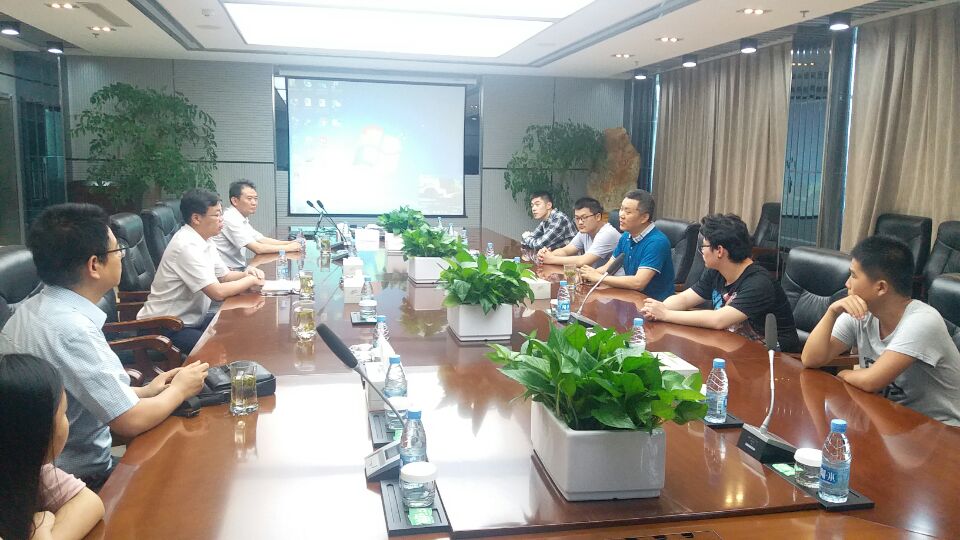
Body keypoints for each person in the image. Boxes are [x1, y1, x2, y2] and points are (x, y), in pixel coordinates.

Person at [0, 203, 208, 490]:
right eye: (117, 251)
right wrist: (180, 390)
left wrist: (146, 391)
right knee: (192, 475)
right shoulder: (71, 330)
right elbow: (129, 421)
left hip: (40, 475)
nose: (122, 256)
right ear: (94, 265)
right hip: (77, 483)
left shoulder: (34, 309)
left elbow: (81, 392)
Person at [801, 235, 960, 426]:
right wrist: (831, 312)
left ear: (881, 287)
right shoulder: (861, 313)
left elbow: (871, 381)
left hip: (940, 430)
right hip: (887, 419)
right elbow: (811, 359)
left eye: (853, 275)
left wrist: (843, 375)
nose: (847, 284)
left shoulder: (923, 321)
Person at [640, 213, 800, 352]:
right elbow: (684, 299)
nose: (702, 251)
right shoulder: (716, 272)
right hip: (733, 347)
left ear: (719, 251)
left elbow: (718, 320)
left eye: (703, 246)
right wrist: (658, 309)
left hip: (773, 358)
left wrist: (666, 314)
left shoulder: (759, 283)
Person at [138, 189, 266, 354]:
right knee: (223, 347)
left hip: (190, 320)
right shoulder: (186, 245)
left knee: (242, 327)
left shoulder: (205, 239)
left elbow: (225, 276)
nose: (221, 220)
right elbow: (217, 293)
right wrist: (250, 281)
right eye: (217, 215)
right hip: (164, 327)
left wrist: (248, 273)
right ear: (196, 218)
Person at [0, 354, 104, 540]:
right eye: (63, 413)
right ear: (35, 431)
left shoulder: (29, 468)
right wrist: (41, 532)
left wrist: (45, 531)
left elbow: (89, 502)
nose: (67, 423)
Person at [579, 190, 675, 301]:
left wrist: (599, 277)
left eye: (628, 212)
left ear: (644, 217)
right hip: (630, 298)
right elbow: (608, 268)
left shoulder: (657, 242)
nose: (621, 215)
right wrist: (588, 274)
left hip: (655, 303)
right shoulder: (626, 236)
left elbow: (639, 283)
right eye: (621, 209)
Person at [212, 180, 301, 270]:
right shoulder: (230, 218)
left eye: (255, 199)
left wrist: (291, 243)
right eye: (249, 199)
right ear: (235, 201)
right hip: (228, 271)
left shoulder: (239, 218)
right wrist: (289, 248)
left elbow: (261, 239)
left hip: (237, 268)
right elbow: (258, 249)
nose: (254, 203)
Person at [537, 197, 620, 268]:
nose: (580, 222)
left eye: (584, 217)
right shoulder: (585, 231)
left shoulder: (607, 233)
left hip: (613, 279)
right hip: (596, 277)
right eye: (577, 218)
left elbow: (584, 261)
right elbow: (565, 251)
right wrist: (546, 255)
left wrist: (552, 259)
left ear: (598, 217)